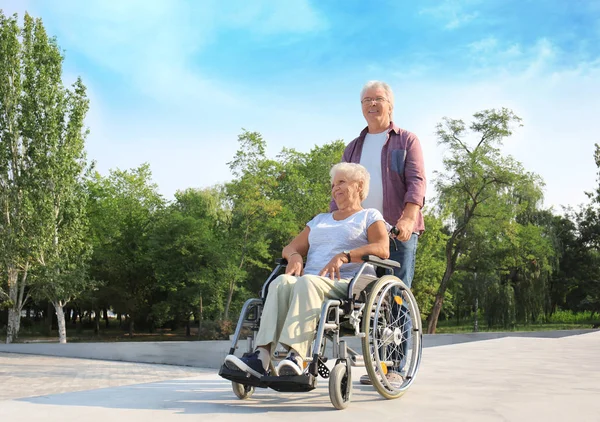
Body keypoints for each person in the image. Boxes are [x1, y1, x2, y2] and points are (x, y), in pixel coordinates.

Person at [224, 162, 390, 378]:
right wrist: (293, 256)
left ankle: (297, 356)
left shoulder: (369, 216)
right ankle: (261, 357)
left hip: (346, 282)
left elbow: (382, 248)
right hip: (311, 282)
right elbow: (291, 247)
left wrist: (345, 256)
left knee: (307, 282)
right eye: (332, 185)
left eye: (341, 182)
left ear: (359, 186)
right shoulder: (320, 220)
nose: (335, 189)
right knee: (281, 282)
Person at [331, 80, 426, 385]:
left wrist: (408, 219)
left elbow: (416, 182)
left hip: (397, 231)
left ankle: (395, 367)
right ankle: (377, 366)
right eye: (366, 100)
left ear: (390, 105)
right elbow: (341, 191)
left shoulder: (406, 140)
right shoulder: (353, 147)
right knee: (364, 298)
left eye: (378, 99)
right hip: (362, 232)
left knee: (396, 295)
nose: (372, 105)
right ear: (361, 107)